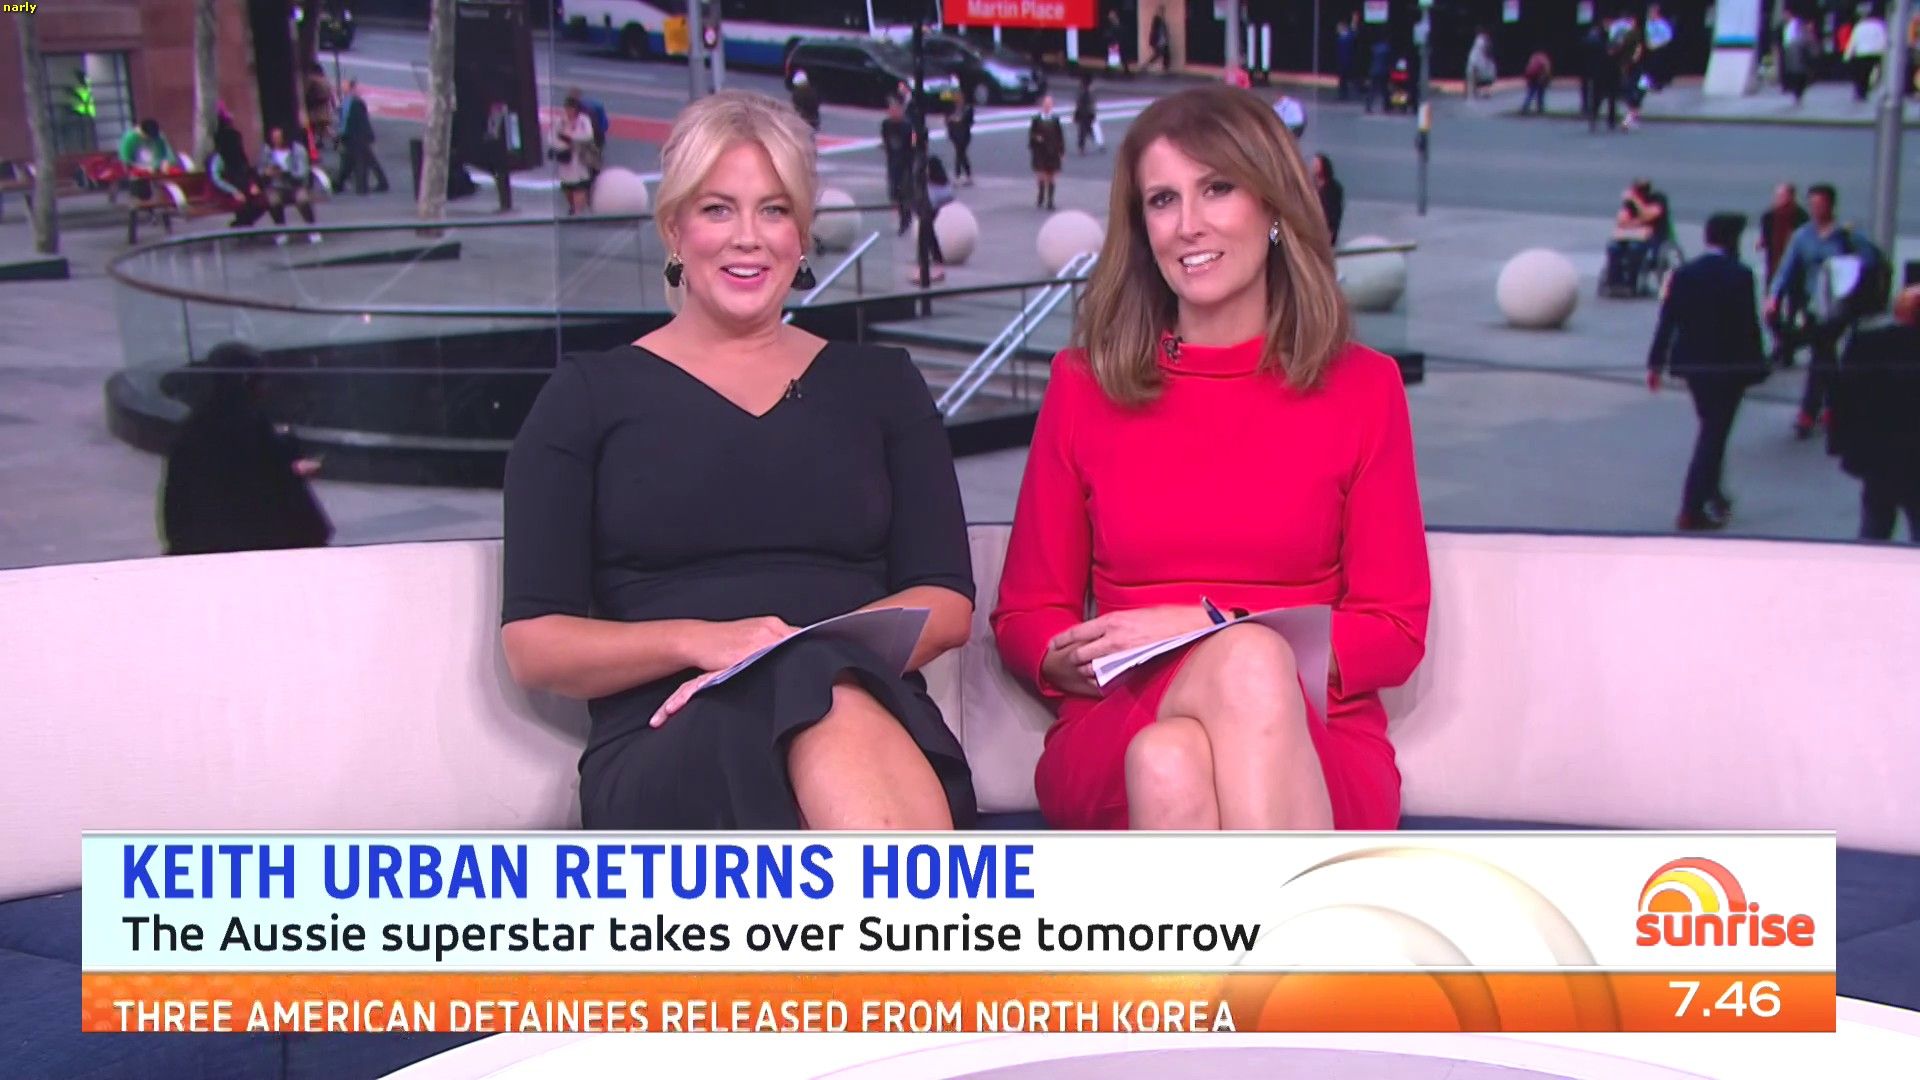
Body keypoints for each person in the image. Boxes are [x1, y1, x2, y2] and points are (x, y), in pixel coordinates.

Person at [501, 90, 977, 831]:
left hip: (865, 705)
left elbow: (946, 603)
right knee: (818, 691)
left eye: (774, 210)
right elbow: (535, 646)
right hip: (670, 731)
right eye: (718, 209)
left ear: (802, 234)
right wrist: (706, 641)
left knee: (823, 685)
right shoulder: (587, 397)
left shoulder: (882, 385)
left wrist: (801, 649)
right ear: (674, 228)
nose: (747, 238)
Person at [991, 86, 1430, 832]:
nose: (1188, 224)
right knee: (1223, 686)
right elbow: (1027, 614)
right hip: (1120, 715)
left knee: (1175, 759)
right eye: (1163, 200)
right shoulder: (1084, 386)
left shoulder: (1365, 388)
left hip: (1317, 735)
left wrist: (1210, 626)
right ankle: (1313, 908)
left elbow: (1394, 631)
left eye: (1217, 188)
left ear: (1274, 207)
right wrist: (1083, 656)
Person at [1645, 213, 1771, 532]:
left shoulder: (1685, 273)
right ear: (1733, 240)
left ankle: (1713, 493)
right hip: (1728, 369)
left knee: (1711, 428)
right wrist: (1758, 367)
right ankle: (1692, 506)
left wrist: (1655, 362)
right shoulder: (1740, 275)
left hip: (1693, 366)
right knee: (1714, 435)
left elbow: (1668, 319)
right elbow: (1748, 327)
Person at [162, 342, 331, 557]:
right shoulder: (245, 425)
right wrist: (290, 466)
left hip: (203, 538)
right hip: (245, 538)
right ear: (247, 381)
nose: (266, 387)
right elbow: (259, 481)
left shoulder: (195, 426)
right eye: (262, 379)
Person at [1768, 184, 1868, 438]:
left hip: (1841, 305)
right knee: (1825, 356)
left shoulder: (1847, 235)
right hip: (1814, 305)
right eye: (1812, 204)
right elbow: (1786, 268)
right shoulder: (1803, 236)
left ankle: (1809, 411)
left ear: (1831, 206)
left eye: (1820, 205)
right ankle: (1832, 406)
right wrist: (1774, 296)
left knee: (1821, 353)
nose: (1815, 209)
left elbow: (1870, 260)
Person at [1832, 286, 1920, 541]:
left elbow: (1844, 400)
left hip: (1880, 460)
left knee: (1875, 527)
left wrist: (1845, 449)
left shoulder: (1867, 345)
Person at [1757, 183, 1810, 366]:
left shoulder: (1801, 217)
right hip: (1774, 269)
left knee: (1793, 312)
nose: (1779, 200)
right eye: (1778, 196)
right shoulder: (1769, 216)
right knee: (1772, 313)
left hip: (1796, 273)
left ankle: (1786, 349)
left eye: (1783, 196)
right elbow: (1765, 239)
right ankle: (1783, 345)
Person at [207, 117, 274, 228]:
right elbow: (216, 179)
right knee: (242, 203)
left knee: (263, 201)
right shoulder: (218, 158)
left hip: (243, 187)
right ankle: (242, 225)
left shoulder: (239, 155)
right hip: (225, 191)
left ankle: (242, 224)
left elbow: (247, 172)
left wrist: (253, 184)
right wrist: (234, 192)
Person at [258, 126, 321, 241]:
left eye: (278, 138)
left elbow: (302, 172)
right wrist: (267, 173)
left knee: (302, 199)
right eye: (273, 138)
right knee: (273, 201)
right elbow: (261, 169)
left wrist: (285, 173)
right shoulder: (268, 150)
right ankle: (280, 230)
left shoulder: (298, 150)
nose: (276, 141)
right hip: (276, 186)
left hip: (295, 186)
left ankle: (312, 229)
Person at [334, 79, 390, 195]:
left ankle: (360, 186)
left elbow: (347, 121)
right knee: (363, 159)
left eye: (345, 87)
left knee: (357, 160)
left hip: (355, 136)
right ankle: (378, 183)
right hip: (358, 135)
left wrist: (340, 134)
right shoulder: (352, 102)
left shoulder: (352, 102)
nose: (342, 88)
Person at [550, 96, 596, 216]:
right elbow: (552, 138)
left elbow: (588, 135)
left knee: (579, 186)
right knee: (568, 187)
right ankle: (572, 207)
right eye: (567, 108)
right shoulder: (559, 121)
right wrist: (563, 145)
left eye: (571, 108)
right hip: (566, 159)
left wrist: (572, 139)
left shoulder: (583, 120)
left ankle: (577, 210)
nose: (569, 111)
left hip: (579, 158)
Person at [117, 118, 179, 200]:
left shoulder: (159, 136)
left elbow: (169, 154)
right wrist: (144, 168)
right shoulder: (129, 139)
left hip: (158, 167)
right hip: (139, 169)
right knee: (140, 185)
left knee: (174, 176)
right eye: (148, 137)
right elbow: (126, 161)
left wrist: (167, 161)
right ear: (141, 131)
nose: (151, 139)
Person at [881, 99, 915, 234]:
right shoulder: (886, 124)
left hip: (906, 164)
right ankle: (903, 217)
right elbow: (886, 140)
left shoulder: (907, 126)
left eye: (895, 110)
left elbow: (913, 144)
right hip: (893, 163)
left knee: (905, 192)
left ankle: (906, 219)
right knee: (895, 192)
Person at [483, 99, 520, 213]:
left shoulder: (508, 115)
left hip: (504, 152)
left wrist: (513, 150)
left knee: (503, 177)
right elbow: (491, 131)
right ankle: (504, 203)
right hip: (496, 151)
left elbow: (512, 133)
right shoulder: (493, 114)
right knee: (500, 177)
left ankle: (506, 204)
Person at [1029, 96, 1065, 210]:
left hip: (1052, 151)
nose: (1047, 106)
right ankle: (1041, 196)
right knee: (1041, 175)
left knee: (1051, 176)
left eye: (1049, 104)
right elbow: (1031, 134)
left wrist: (1061, 151)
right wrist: (1036, 138)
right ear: (1042, 105)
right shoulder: (1036, 119)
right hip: (1040, 151)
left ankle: (1050, 200)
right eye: (1045, 104)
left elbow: (1060, 136)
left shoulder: (1055, 119)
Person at [1845, 8, 1889, 102]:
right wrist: (1885, 52)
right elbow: (1884, 39)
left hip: (1862, 53)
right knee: (1876, 73)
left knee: (1861, 75)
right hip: (1876, 53)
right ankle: (1873, 89)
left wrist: (1848, 55)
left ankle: (1861, 93)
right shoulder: (1879, 26)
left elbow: (1853, 41)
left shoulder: (1859, 26)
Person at [1311, 153, 1343, 245]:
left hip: (1327, 229)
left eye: (1317, 165)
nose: (1314, 167)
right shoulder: (1312, 186)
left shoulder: (1333, 188)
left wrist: (1331, 230)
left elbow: (1335, 211)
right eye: (1314, 165)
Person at [1644, 3, 1675, 90]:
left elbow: (1668, 37)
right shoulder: (1648, 24)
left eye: (1652, 12)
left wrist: (1657, 45)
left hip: (1660, 48)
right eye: (1649, 12)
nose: (1650, 14)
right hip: (1648, 47)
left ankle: (1658, 82)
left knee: (1658, 61)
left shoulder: (1662, 24)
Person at [945, 97, 974, 185]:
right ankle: (965, 175)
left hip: (964, 135)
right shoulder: (951, 110)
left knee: (960, 154)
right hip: (955, 135)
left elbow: (967, 121)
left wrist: (955, 120)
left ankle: (959, 174)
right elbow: (948, 121)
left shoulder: (967, 109)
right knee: (961, 154)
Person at [1075, 72, 1100, 155]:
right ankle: (1083, 147)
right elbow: (1083, 103)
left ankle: (1084, 146)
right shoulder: (1087, 91)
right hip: (1086, 113)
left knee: (1086, 130)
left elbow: (1079, 103)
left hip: (1085, 113)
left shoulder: (1084, 91)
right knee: (1084, 130)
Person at [1335, 14, 1359, 100]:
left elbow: (1353, 30)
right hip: (1341, 62)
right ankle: (1342, 95)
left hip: (1348, 61)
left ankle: (1355, 92)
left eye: (1339, 27)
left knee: (1350, 79)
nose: (1337, 29)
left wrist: (1354, 20)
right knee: (1342, 80)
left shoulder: (1349, 36)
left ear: (1343, 27)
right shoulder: (1340, 38)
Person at [1466, 30, 1496, 98]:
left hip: (1482, 62)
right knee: (1474, 75)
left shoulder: (1483, 42)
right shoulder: (1480, 42)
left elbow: (1488, 50)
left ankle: (1484, 91)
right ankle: (1474, 92)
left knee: (1485, 76)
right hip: (1476, 61)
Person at [1522, 49, 1553, 115]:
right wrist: (1546, 79)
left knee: (1531, 93)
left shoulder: (1534, 58)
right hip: (1540, 78)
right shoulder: (1545, 59)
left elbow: (1528, 69)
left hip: (1532, 78)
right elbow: (1547, 70)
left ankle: (1525, 107)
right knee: (1540, 94)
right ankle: (1540, 109)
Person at [1148, 7, 1173, 74]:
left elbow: (1164, 30)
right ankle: (1149, 65)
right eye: (1160, 11)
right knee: (1158, 53)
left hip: (1162, 40)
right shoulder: (1156, 19)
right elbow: (1155, 30)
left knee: (1165, 53)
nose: (1162, 13)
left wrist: (1166, 36)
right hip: (1158, 40)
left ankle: (1165, 67)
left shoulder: (1162, 20)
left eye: (1163, 11)